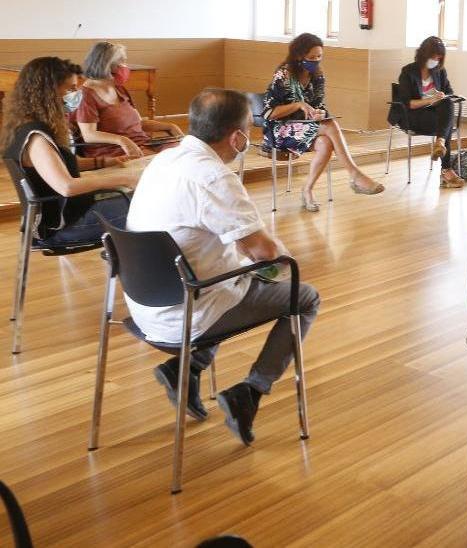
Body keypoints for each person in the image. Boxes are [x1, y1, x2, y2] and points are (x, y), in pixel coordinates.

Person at [126, 88, 322, 445]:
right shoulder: (214, 177)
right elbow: (266, 253)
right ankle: (250, 392)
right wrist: (280, 262)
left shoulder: (164, 159)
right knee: (303, 296)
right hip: (185, 313)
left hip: (144, 305)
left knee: (229, 273)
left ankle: (186, 370)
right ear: (237, 137)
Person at [0, 57, 134, 245]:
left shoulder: (24, 126)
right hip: (65, 226)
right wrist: (125, 179)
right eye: (70, 88)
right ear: (48, 92)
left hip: (68, 215)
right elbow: (66, 186)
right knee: (152, 204)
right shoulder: (36, 137)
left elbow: (55, 165)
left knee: (143, 199)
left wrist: (103, 162)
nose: (76, 93)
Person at [263, 33, 384, 212]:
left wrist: (318, 113)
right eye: (311, 57)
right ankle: (354, 174)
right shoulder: (283, 75)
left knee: (326, 142)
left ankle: (307, 189)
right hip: (279, 131)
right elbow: (269, 113)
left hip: (305, 128)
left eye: (319, 57)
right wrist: (298, 104)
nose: (316, 61)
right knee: (330, 125)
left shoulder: (317, 77)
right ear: (299, 56)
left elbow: (320, 107)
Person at [76, 41, 183, 159]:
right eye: (121, 62)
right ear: (107, 66)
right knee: (168, 159)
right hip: (114, 150)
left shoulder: (119, 89)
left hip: (141, 144)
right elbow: (89, 135)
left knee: (182, 150)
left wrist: (170, 126)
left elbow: (138, 124)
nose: (125, 66)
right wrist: (122, 140)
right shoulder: (86, 95)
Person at [394, 36, 465, 188]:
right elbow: (409, 103)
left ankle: (439, 144)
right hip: (414, 116)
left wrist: (441, 95)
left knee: (447, 104)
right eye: (434, 57)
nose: (436, 60)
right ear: (424, 54)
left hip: (436, 116)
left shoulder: (440, 71)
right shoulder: (408, 72)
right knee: (444, 126)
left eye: (439, 58)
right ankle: (446, 170)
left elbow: (449, 92)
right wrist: (429, 100)